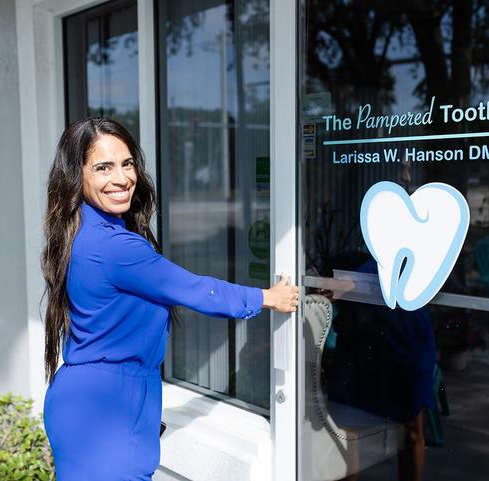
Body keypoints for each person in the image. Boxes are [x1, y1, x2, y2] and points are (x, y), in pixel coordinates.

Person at [40, 117, 299, 481]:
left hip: (86, 398)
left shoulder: (79, 230)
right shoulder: (114, 247)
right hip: (107, 407)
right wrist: (268, 297)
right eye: (103, 168)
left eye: (127, 163)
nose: (121, 178)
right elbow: (196, 290)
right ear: (76, 176)